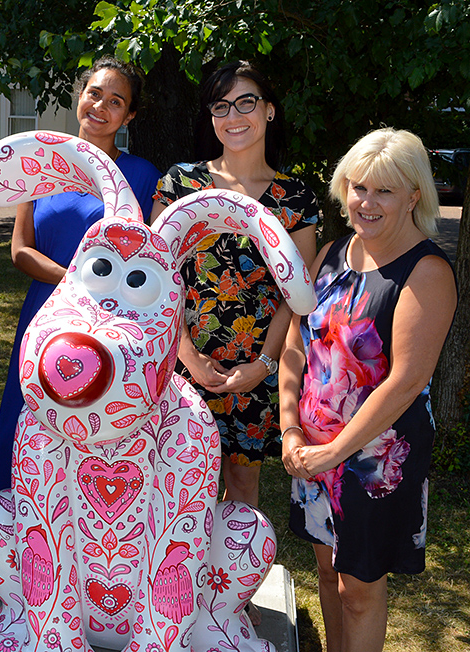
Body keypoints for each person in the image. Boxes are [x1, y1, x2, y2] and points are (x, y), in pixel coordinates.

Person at [151, 61, 318, 626]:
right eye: (221, 106)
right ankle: (165, 597)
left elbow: (295, 295)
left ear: (269, 109)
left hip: (255, 371)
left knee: (241, 483)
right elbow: (155, 278)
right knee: (173, 480)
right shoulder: (180, 183)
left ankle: (224, 605)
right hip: (179, 366)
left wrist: (264, 365)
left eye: (246, 102)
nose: (233, 117)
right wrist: (187, 356)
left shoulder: (295, 198)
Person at [279, 127, 456, 652]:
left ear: (413, 195)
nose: (367, 202)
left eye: (384, 190)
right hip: (311, 451)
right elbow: (296, 341)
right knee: (330, 576)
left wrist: (334, 450)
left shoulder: (425, 271)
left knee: (359, 587)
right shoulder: (332, 253)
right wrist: (291, 428)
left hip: (374, 456)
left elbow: (405, 382)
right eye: (359, 187)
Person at [0, 56, 161, 495]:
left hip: (112, 328)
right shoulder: (41, 166)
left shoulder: (142, 177)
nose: (101, 107)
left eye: (116, 101)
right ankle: (11, 537)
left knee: (93, 429)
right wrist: (74, 283)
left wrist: (92, 294)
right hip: (42, 315)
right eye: (94, 94)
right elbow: (20, 249)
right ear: (79, 96)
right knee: (26, 422)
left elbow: (148, 263)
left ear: (130, 115)